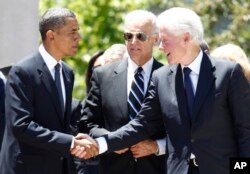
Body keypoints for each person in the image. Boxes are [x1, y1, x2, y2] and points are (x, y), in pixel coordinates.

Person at [73, 7, 250, 174]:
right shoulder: (162, 77)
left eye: (165, 40)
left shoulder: (228, 73)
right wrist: (100, 143)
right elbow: (141, 125)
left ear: (186, 38)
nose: (161, 47)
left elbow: (245, 130)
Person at [0, 7, 98, 174]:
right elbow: (21, 126)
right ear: (51, 35)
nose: (78, 37)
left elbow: (61, 124)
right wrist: (71, 142)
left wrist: (79, 139)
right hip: (25, 168)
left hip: (57, 166)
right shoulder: (22, 71)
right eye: (72, 32)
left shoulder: (68, 73)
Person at [77, 10, 165, 174]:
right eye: (128, 36)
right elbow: (87, 124)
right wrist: (113, 140)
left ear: (155, 39)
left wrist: (157, 146)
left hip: (157, 168)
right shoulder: (103, 75)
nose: (133, 42)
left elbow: (181, 128)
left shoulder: (169, 76)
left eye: (140, 36)